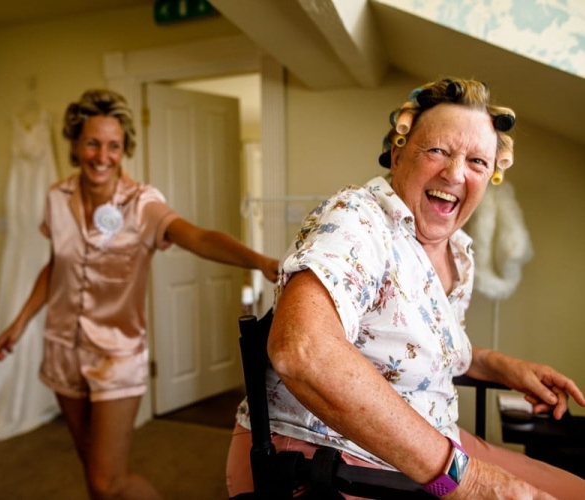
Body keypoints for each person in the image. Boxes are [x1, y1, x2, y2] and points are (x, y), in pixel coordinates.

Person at [226, 78, 585, 499]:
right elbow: (300, 349)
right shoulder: (358, 219)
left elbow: (415, 351)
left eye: (476, 162)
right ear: (398, 155)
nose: (454, 173)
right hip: (327, 459)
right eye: (437, 150)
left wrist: (501, 366)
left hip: (431, 445)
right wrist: (465, 479)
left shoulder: (456, 252)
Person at [0, 88, 279, 500]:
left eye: (113, 145)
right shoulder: (57, 198)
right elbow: (56, 265)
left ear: (124, 149)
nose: (102, 155)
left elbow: (195, 236)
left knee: (110, 480)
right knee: (93, 474)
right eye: (92, 143)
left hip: (116, 354)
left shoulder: (142, 203)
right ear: (75, 144)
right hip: (61, 348)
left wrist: (258, 260)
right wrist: (18, 325)